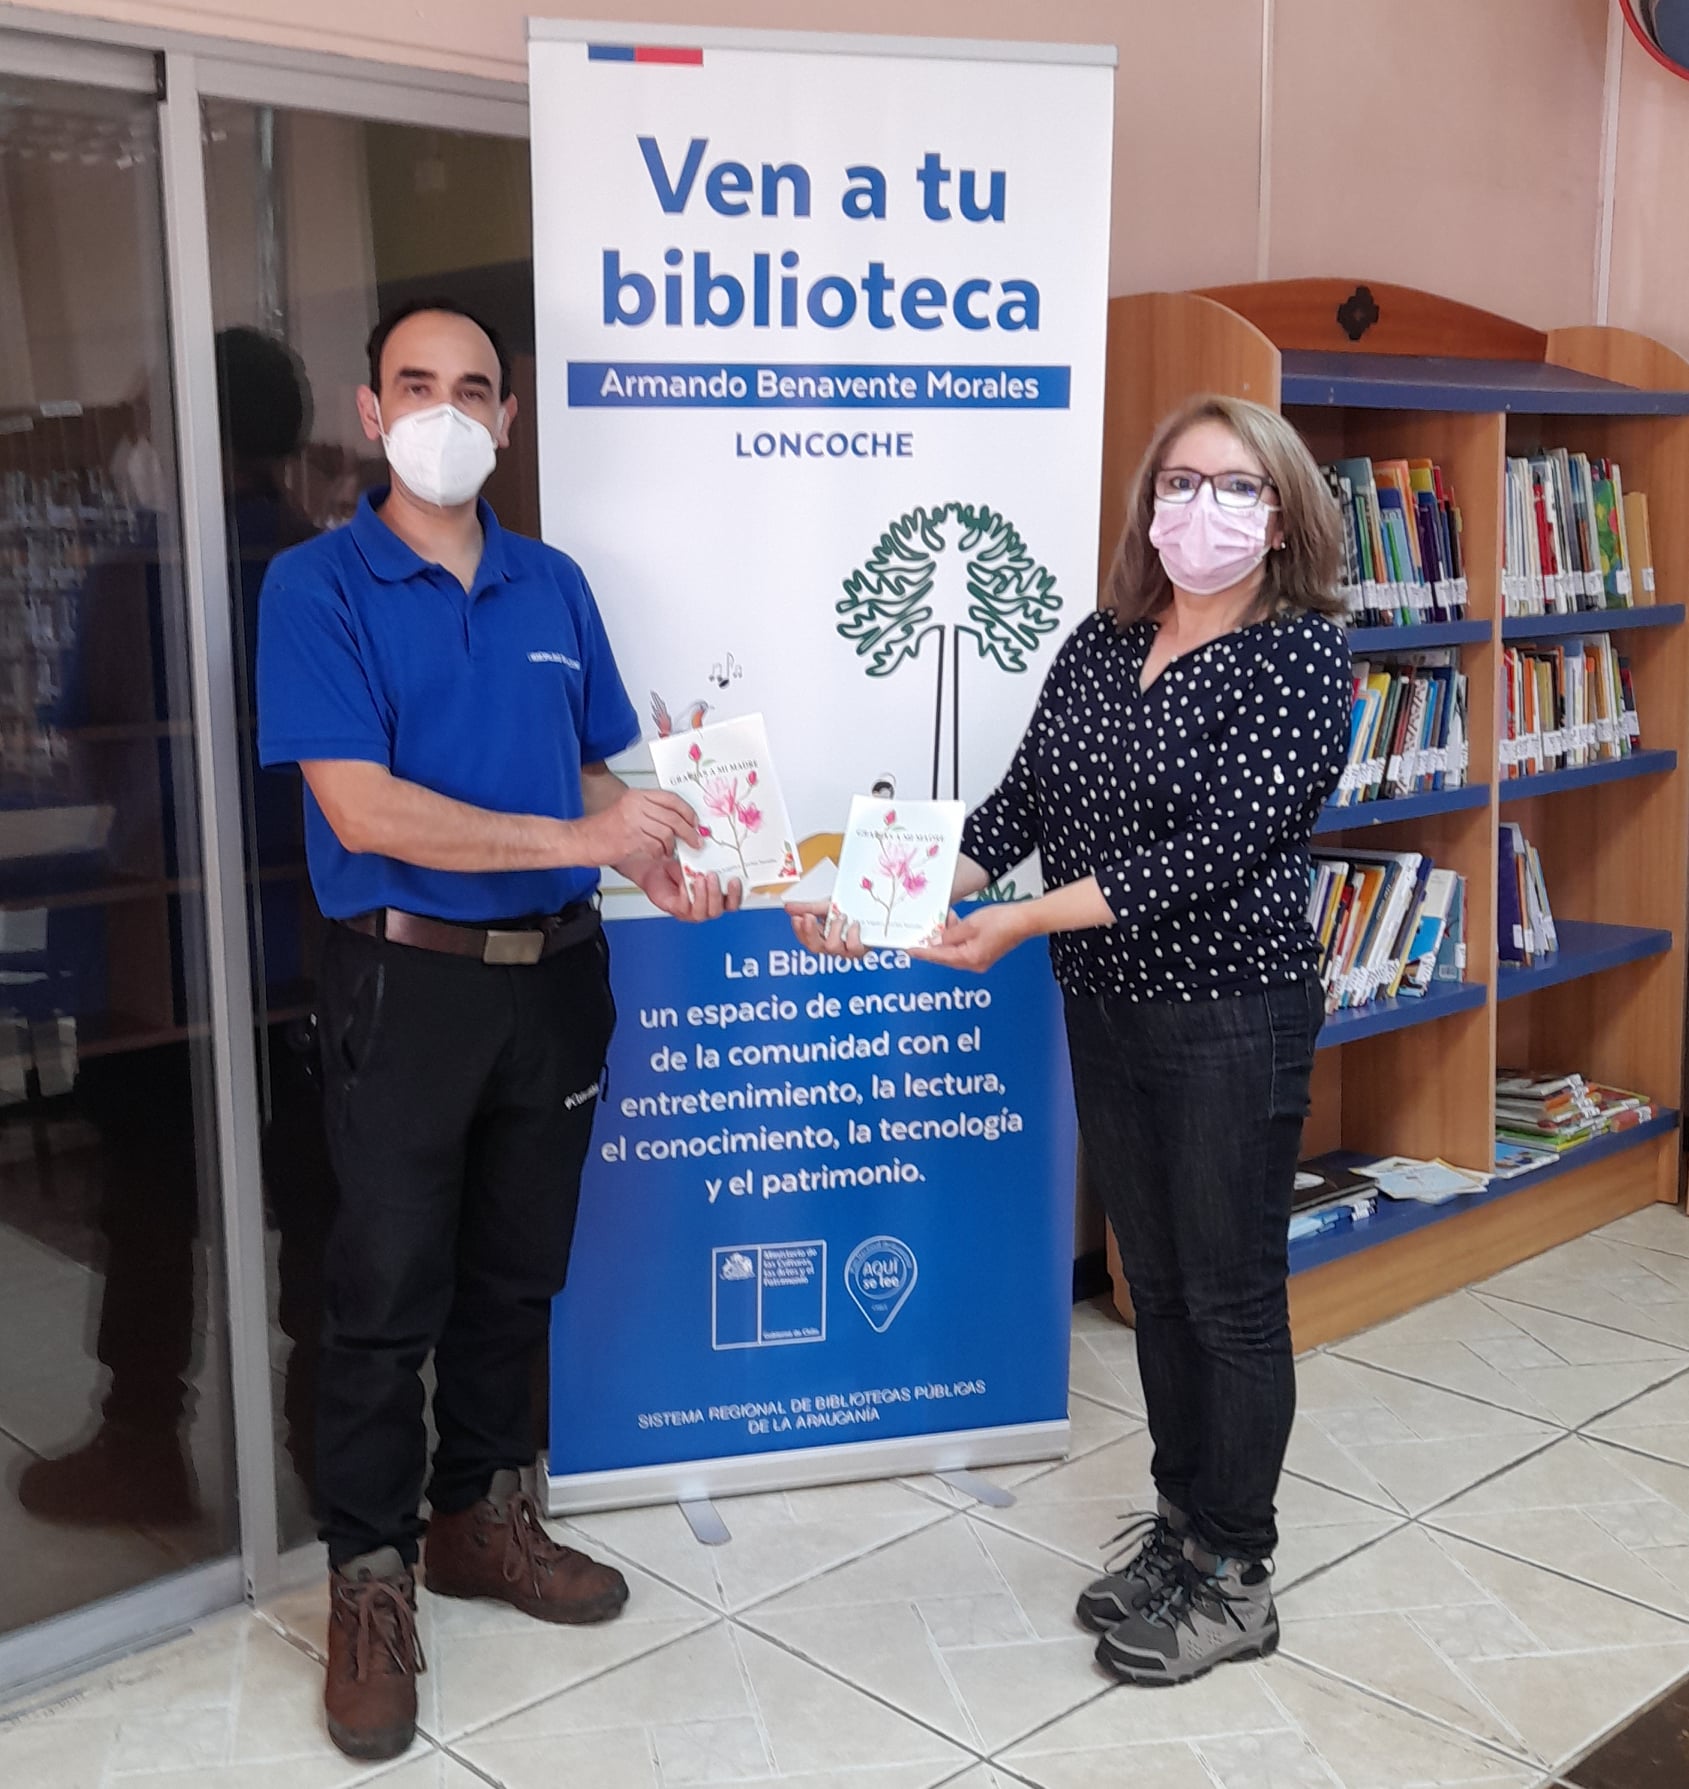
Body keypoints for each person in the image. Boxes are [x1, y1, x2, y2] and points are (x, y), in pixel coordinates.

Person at [792, 392, 1349, 1686]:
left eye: (1233, 486)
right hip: (1106, 1003)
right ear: (1147, 504)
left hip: (1229, 1013)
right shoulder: (1103, 645)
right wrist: (882, 906)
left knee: (1226, 1294)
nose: (1197, 506)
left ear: (1278, 519)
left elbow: (1212, 850)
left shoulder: (1299, 659)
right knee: (1152, 1280)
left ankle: (1235, 1566)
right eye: (1178, 480)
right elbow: (1020, 802)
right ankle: (1177, 1530)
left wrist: (1020, 918)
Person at [257, 298, 738, 1763]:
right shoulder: (317, 583)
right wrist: (578, 828)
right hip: (406, 986)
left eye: (475, 387)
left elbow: (597, 760)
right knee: (383, 1284)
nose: (449, 409)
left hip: (558, 978)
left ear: (510, 419)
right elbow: (363, 806)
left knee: (516, 1276)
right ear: (370, 408)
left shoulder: (551, 584)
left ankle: (478, 1519)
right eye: (419, 384)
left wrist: (654, 851)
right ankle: (369, 1584)